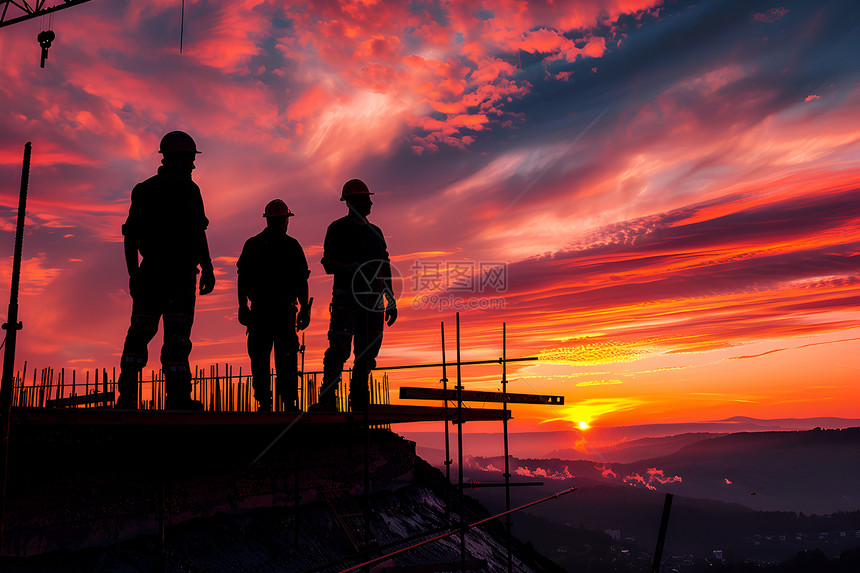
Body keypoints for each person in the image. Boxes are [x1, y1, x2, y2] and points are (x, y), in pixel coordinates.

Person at [115, 131, 215, 410]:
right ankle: (178, 398)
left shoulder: (144, 189)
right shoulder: (188, 189)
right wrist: (207, 267)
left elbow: (130, 237)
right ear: (177, 158)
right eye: (190, 160)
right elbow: (197, 231)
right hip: (178, 276)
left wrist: (134, 274)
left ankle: (127, 397)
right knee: (178, 338)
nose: (193, 166)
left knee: (139, 333)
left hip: (151, 274)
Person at [313, 179, 397, 412]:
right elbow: (329, 265)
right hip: (347, 298)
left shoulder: (375, 233)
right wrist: (351, 267)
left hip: (372, 301)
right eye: (364, 198)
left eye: (368, 198)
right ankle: (328, 399)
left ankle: (359, 401)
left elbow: (384, 266)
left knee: (367, 354)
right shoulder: (338, 229)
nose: (369, 203)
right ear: (351, 202)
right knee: (339, 348)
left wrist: (390, 300)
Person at [237, 199, 311, 412]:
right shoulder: (291, 246)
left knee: (261, 359)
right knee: (285, 360)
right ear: (284, 220)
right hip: (281, 313)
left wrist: (242, 306)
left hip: (261, 312)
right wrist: (304, 309)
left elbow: (243, 278)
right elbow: (301, 281)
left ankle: (265, 402)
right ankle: (287, 402)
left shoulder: (253, 245)